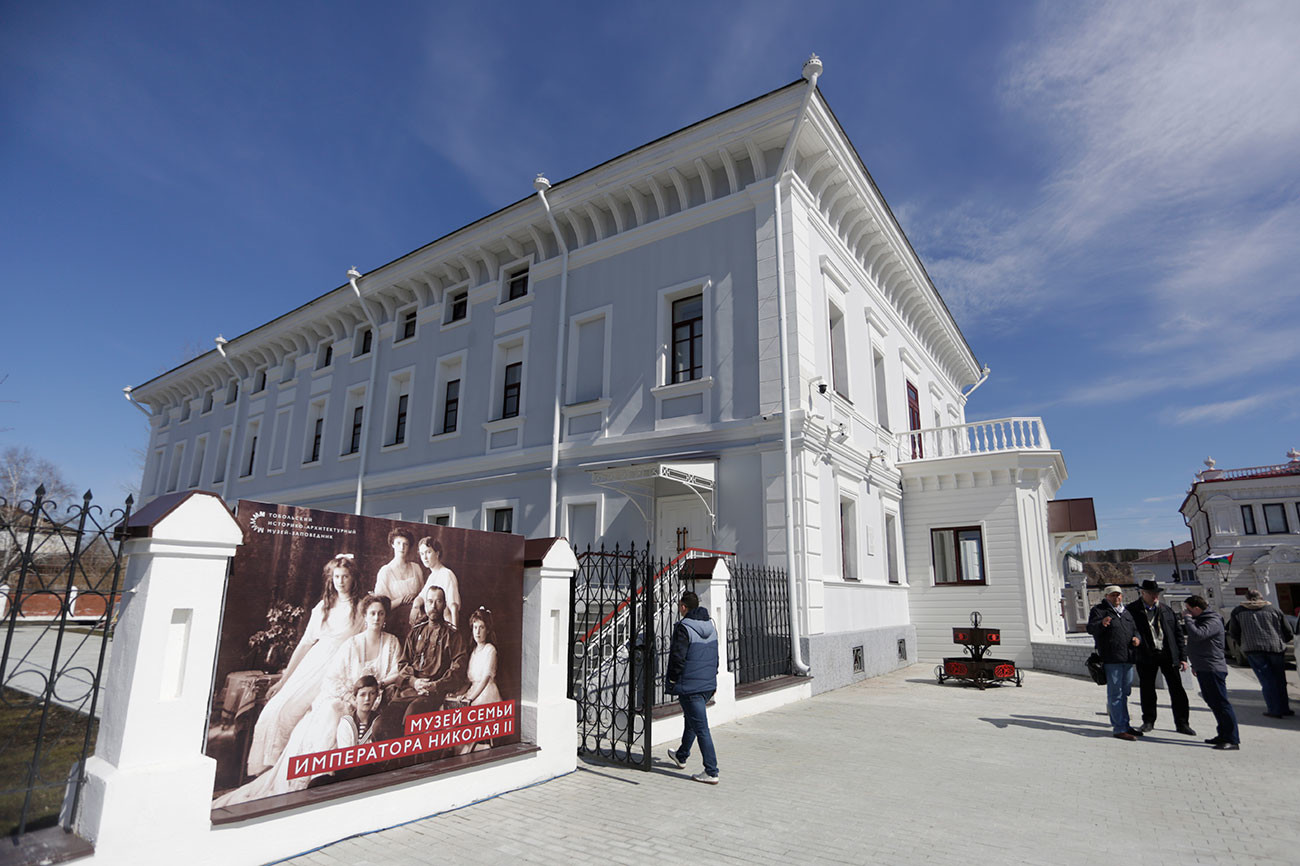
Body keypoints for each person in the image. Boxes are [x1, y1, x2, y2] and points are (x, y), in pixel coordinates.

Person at [214, 595, 401, 805]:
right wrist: (351, 697)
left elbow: (396, 672)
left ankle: (351, 777)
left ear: (385, 617)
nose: (376, 617)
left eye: (381, 613)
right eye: (372, 613)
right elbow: (332, 678)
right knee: (333, 710)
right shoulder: (351, 645)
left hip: (376, 698)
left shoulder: (391, 642)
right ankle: (321, 774)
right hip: (346, 697)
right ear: (365, 617)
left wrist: (379, 687)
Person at [245, 554, 365, 776]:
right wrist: (283, 680)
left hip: (340, 665)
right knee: (276, 709)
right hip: (315, 662)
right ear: (331, 579)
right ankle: (269, 767)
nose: (340, 581)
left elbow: (372, 629)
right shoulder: (323, 607)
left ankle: (287, 770)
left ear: (353, 578)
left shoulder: (360, 608)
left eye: (345, 576)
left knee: (297, 712)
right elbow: (304, 644)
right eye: (337, 576)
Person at [376, 585, 467, 740]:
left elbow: (458, 670)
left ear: (444, 604)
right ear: (425, 603)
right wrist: (413, 681)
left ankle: (408, 762)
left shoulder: (453, 635)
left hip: (433, 692)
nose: (433, 606)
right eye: (430, 601)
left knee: (411, 719)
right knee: (380, 727)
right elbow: (403, 664)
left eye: (438, 601)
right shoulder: (416, 632)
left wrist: (435, 685)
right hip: (409, 690)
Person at [1126, 579, 1195, 735]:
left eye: (1156, 593)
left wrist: (1183, 657)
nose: (1154, 596)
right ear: (1142, 593)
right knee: (1148, 689)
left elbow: (1178, 635)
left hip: (1167, 654)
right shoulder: (1132, 610)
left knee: (1177, 689)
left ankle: (1182, 723)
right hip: (1146, 654)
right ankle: (1148, 721)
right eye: (1151, 593)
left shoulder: (1166, 610)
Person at [664, 591, 720, 783]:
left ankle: (711, 771)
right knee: (692, 721)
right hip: (707, 684)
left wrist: (671, 680)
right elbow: (716, 656)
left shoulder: (683, 628)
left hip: (690, 685)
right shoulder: (711, 626)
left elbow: (677, 658)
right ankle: (681, 755)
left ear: (683, 607)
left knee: (701, 727)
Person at [1086, 585, 1143, 741]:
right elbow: (1090, 628)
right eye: (1113, 595)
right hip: (1112, 658)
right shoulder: (1100, 611)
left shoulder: (1126, 613)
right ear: (1106, 596)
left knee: (1125, 692)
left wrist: (1137, 638)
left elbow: (1135, 630)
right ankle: (1119, 728)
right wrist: (1101, 624)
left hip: (1128, 657)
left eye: (1118, 595)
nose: (1116, 598)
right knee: (1115, 693)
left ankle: (1125, 724)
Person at [1183, 595, 1239, 750]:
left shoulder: (1212, 620)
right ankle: (1223, 734)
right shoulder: (1202, 620)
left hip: (1213, 667)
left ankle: (1232, 739)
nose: (1185, 612)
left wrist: (1188, 619)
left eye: (1188, 609)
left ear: (1196, 609)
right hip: (1203, 667)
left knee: (1221, 703)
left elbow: (1198, 635)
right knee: (1212, 701)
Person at [1228, 589, 1294, 719]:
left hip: (1253, 649)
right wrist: (1281, 641)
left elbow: (1234, 632)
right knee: (1280, 680)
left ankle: (1274, 710)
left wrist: (1243, 644)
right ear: (1261, 597)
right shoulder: (1273, 610)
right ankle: (1284, 708)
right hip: (1275, 648)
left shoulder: (1238, 611)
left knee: (1267, 680)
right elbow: (1288, 631)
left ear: (1247, 598)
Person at [449, 607, 502, 753]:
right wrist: (460, 694)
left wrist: (471, 698)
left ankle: (473, 748)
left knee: (466, 716)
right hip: (474, 690)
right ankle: (469, 748)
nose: (478, 632)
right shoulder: (473, 652)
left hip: (486, 693)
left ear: (488, 630)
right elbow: (469, 681)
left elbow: (485, 678)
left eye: (482, 628)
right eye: (475, 627)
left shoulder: (490, 650)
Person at [373, 528, 424, 641]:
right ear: (392, 544)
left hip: (415, 620)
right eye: (398, 543)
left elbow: (423, 595)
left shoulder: (416, 568)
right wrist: (401, 600)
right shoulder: (385, 571)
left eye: (405, 544)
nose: (402, 547)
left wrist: (415, 599)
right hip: (394, 623)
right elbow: (381, 606)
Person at [415, 537, 461, 629]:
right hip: (434, 625)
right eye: (422, 553)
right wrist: (415, 608)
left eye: (428, 552)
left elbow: (454, 606)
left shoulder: (446, 574)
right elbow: (421, 597)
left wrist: (454, 631)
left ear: (437, 553)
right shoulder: (432, 576)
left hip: (446, 625)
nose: (425, 557)